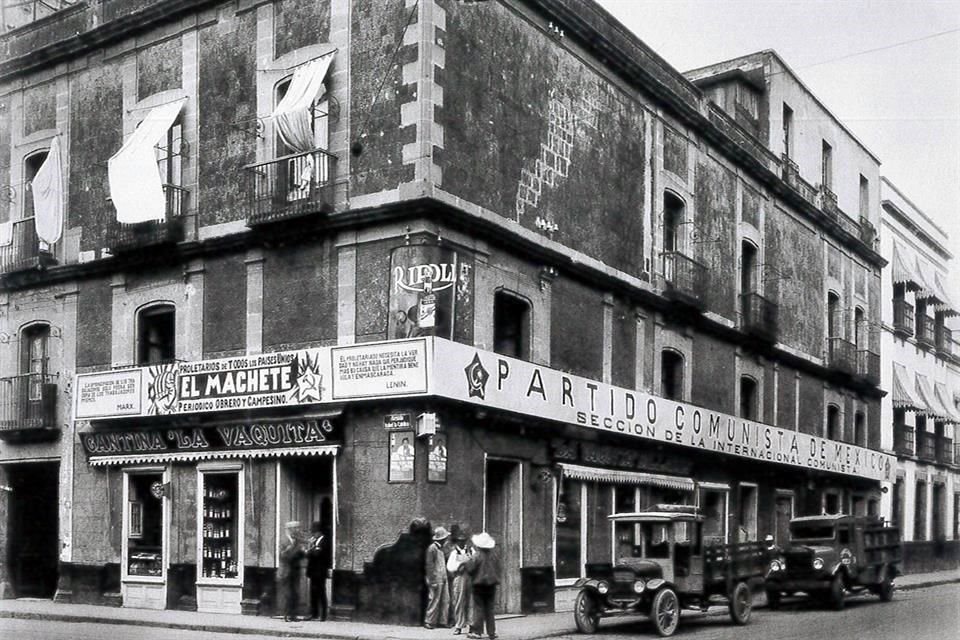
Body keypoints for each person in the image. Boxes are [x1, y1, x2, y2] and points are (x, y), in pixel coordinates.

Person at [466, 532, 500, 640]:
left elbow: (470, 569)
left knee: (478, 608)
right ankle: (492, 633)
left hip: (479, 584)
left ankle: (477, 632)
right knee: (490, 609)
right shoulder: (494, 555)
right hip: (491, 585)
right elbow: (498, 569)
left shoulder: (477, 555)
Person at [447, 527, 475, 635]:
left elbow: (475, 562)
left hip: (470, 578)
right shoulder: (454, 553)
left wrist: (469, 565)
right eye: (460, 540)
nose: (462, 542)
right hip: (459, 577)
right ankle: (459, 625)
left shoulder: (471, 551)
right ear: (457, 541)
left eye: (464, 540)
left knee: (471, 602)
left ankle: (471, 625)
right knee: (459, 601)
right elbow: (450, 567)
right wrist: (459, 566)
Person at [278, 521, 305, 622]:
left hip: (295, 571)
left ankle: (293, 615)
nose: (298, 530)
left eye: (298, 528)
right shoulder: (284, 541)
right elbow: (282, 556)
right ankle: (286, 615)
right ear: (290, 530)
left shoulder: (297, 541)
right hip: (286, 571)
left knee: (295, 594)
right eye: (296, 528)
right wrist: (290, 549)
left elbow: (300, 557)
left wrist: (303, 551)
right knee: (288, 594)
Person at [424, 526, 451, 629]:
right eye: (445, 538)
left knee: (445, 600)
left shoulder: (441, 549)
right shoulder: (432, 548)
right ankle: (429, 621)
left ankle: (443, 621)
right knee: (434, 600)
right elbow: (429, 565)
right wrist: (432, 580)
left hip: (443, 577)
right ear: (442, 538)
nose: (446, 540)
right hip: (436, 578)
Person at [306, 521, 332, 621]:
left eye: (314, 532)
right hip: (313, 572)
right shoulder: (316, 542)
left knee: (321, 593)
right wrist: (311, 549)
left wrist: (310, 548)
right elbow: (309, 555)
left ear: (319, 532)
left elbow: (317, 554)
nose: (313, 534)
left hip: (320, 572)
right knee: (313, 593)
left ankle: (323, 615)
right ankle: (314, 613)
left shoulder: (325, 541)